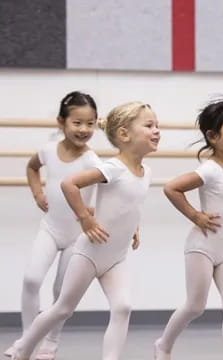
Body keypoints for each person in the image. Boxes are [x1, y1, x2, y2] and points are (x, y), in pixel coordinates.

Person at [11, 101, 160, 360]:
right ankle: (24, 349)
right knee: (63, 308)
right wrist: (84, 219)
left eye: (156, 125)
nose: (157, 130)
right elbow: (70, 184)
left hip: (117, 256)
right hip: (90, 253)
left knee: (123, 307)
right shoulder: (112, 168)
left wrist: (134, 228)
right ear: (124, 135)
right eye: (149, 125)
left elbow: (130, 203)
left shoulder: (146, 171)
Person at [4, 91, 100, 360]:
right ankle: (27, 340)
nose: (84, 129)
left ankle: (52, 341)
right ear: (61, 122)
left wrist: (93, 212)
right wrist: (37, 193)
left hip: (76, 236)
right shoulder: (48, 151)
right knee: (32, 279)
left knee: (61, 292)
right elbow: (32, 167)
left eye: (90, 123)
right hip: (51, 228)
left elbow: (109, 190)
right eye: (77, 123)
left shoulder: (92, 161)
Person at [155, 99, 223, 360]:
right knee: (195, 306)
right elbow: (171, 188)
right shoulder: (210, 170)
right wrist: (195, 215)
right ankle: (163, 345)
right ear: (213, 136)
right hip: (202, 247)